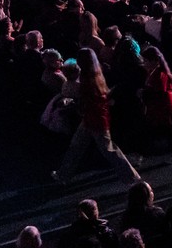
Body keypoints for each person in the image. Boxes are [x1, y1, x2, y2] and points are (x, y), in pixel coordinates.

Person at [52, 49, 140, 185]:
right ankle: (63, 174)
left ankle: (132, 177)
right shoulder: (96, 74)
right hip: (94, 116)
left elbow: (88, 101)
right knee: (77, 146)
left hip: (94, 118)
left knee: (108, 149)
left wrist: (70, 105)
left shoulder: (87, 79)